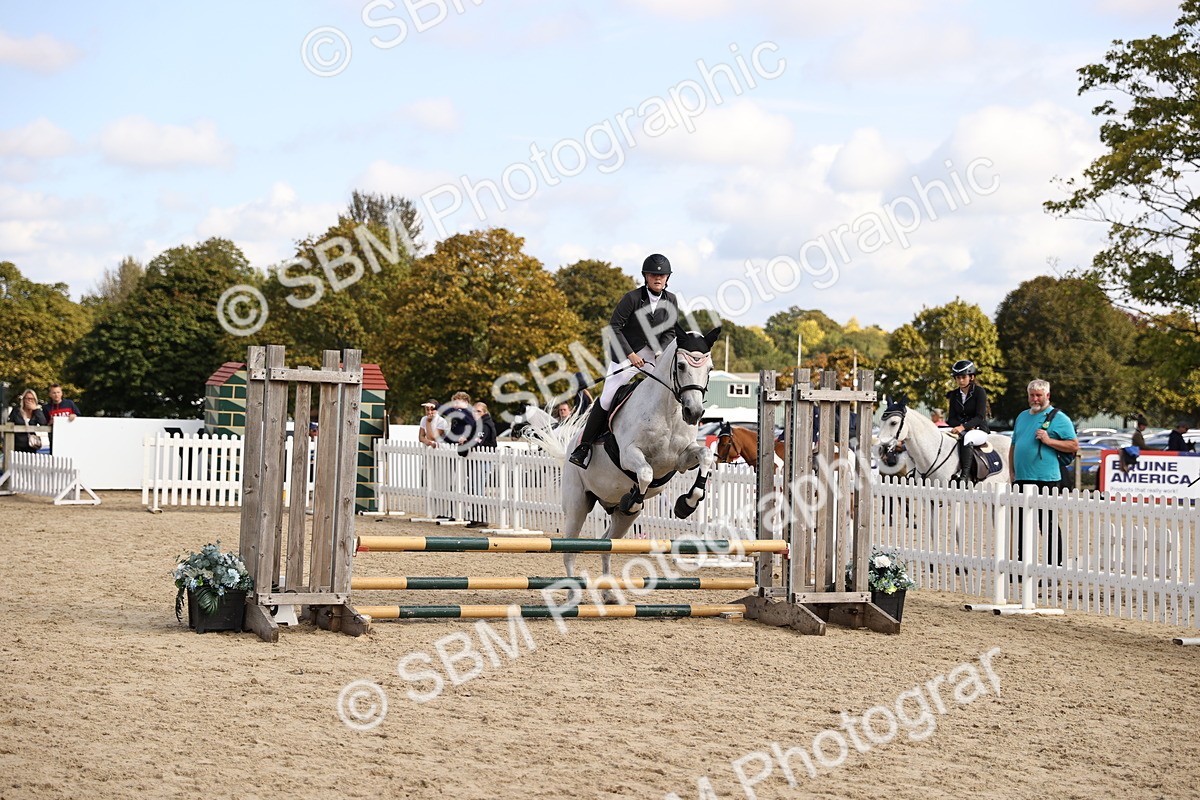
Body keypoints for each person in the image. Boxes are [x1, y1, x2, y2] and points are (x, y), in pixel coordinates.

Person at [569, 253, 681, 467]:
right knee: (607, 396)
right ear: (645, 277)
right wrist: (631, 355)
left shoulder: (672, 300)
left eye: (662, 275)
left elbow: (670, 331)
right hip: (626, 352)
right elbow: (614, 328)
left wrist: (659, 353)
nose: (658, 278)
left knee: (671, 386)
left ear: (667, 278)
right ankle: (584, 446)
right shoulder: (632, 298)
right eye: (653, 275)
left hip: (654, 353)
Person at [1008, 379, 1079, 566]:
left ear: (1047, 396)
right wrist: (1012, 471)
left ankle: (1053, 565)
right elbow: (1014, 444)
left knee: (1047, 524)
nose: (1035, 399)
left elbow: (1073, 445)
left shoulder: (1059, 418)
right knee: (1021, 525)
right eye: (1032, 395)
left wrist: (1049, 441)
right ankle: (1023, 564)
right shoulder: (1022, 416)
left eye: (1039, 395)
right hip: (1022, 478)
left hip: (1046, 479)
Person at [945, 360, 990, 481]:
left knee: (968, 437)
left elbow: (980, 416)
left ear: (972, 377)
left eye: (963, 377)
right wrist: (960, 427)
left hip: (979, 430)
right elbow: (950, 419)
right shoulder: (954, 394)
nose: (960, 380)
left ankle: (964, 475)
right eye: (958, 378)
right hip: (962, 428)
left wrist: (964, 427)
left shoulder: (979, 392)